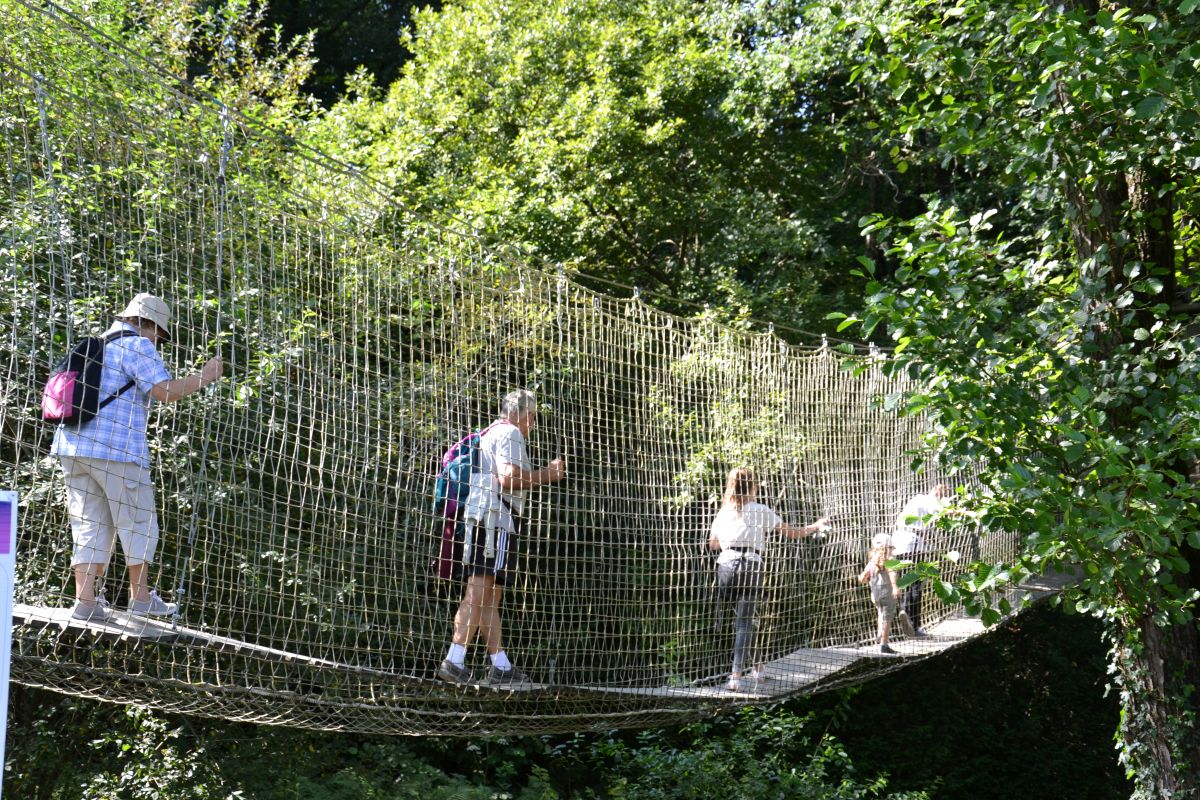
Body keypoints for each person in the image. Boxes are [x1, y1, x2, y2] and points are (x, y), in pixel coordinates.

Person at [52, 293, 224, 622]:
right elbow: (166, 392)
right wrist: (206, 375)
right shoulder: (137, 345)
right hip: (116, 450)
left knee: (89, 523)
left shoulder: (98, 342)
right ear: (148, 325)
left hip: (71, 447)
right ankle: (140, 598)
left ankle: (85, 602)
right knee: (139, 522)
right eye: (159, 334)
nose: (158, 341)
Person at [437, 389, 565, 687]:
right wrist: (549, 474)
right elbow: (507, 478)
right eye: (532, 416)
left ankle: (500, 666)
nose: (532, 423)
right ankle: (454, 660)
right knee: (479, 589)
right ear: (522, 413)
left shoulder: (490, 433)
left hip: (487, 517)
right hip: (494, 518)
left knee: (490, 594)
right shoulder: (509, 432)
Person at [707, 467, 829, 692]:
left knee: (744, 620)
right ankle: (736, 677)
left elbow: (712, 543)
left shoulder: (723, 512)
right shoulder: (760, 510)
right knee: (744, 622)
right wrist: (816, 526)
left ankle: (758, 668)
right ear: (753, 486)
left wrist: (730, 537)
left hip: (726, 566)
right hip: (751, 566)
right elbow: (792, 532)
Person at [892, 483, 950, 637]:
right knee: (916, 585)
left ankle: (905, 615)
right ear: (938, 494)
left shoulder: (915, 500)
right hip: (914, 546)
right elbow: (941, 512)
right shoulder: (930, 501)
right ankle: (914, 624)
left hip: (899, 544)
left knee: (905, 581)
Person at [858, 533, 899, 654]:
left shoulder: (872, 561)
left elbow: (863, 578)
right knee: (887, 617)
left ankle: (880, 633)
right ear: (889, 546)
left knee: (880, 613)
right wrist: (895, 587)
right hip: (887, 592)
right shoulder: (890, 560)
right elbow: (892, 573)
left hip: (875, 593)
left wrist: (861, 577)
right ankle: (884, 644)